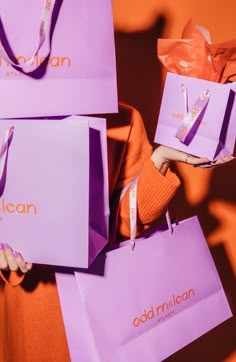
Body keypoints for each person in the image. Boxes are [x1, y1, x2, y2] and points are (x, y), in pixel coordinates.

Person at [0, 103, 234, 361]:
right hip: (31, 309)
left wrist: (161, 159)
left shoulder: (123, 118)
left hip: (99, 304)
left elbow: (125, 222)